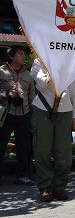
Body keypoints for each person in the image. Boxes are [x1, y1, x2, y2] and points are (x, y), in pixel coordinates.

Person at [30, 57, 75, 202]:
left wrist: (74, 116)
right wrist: (55, 70)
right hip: (42, 110)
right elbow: (42, 83)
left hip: (65, 111)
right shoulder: (38, 62)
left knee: (63, 151)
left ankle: (59, 186)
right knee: (42, 150)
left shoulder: (69, 65)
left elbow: (73, 94)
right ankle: (45, 187)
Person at [0, 45, 35, 186]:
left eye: (24, 54)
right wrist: (6, 94)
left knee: (24, 147)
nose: (23, 56)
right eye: (20, 54)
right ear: (11, 56)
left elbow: (32, 96)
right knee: (1, 146)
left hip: (24, 114)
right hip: (5, 114)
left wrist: (32, 113)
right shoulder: (1, 71)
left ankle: (22, 176)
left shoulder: (28, 74)